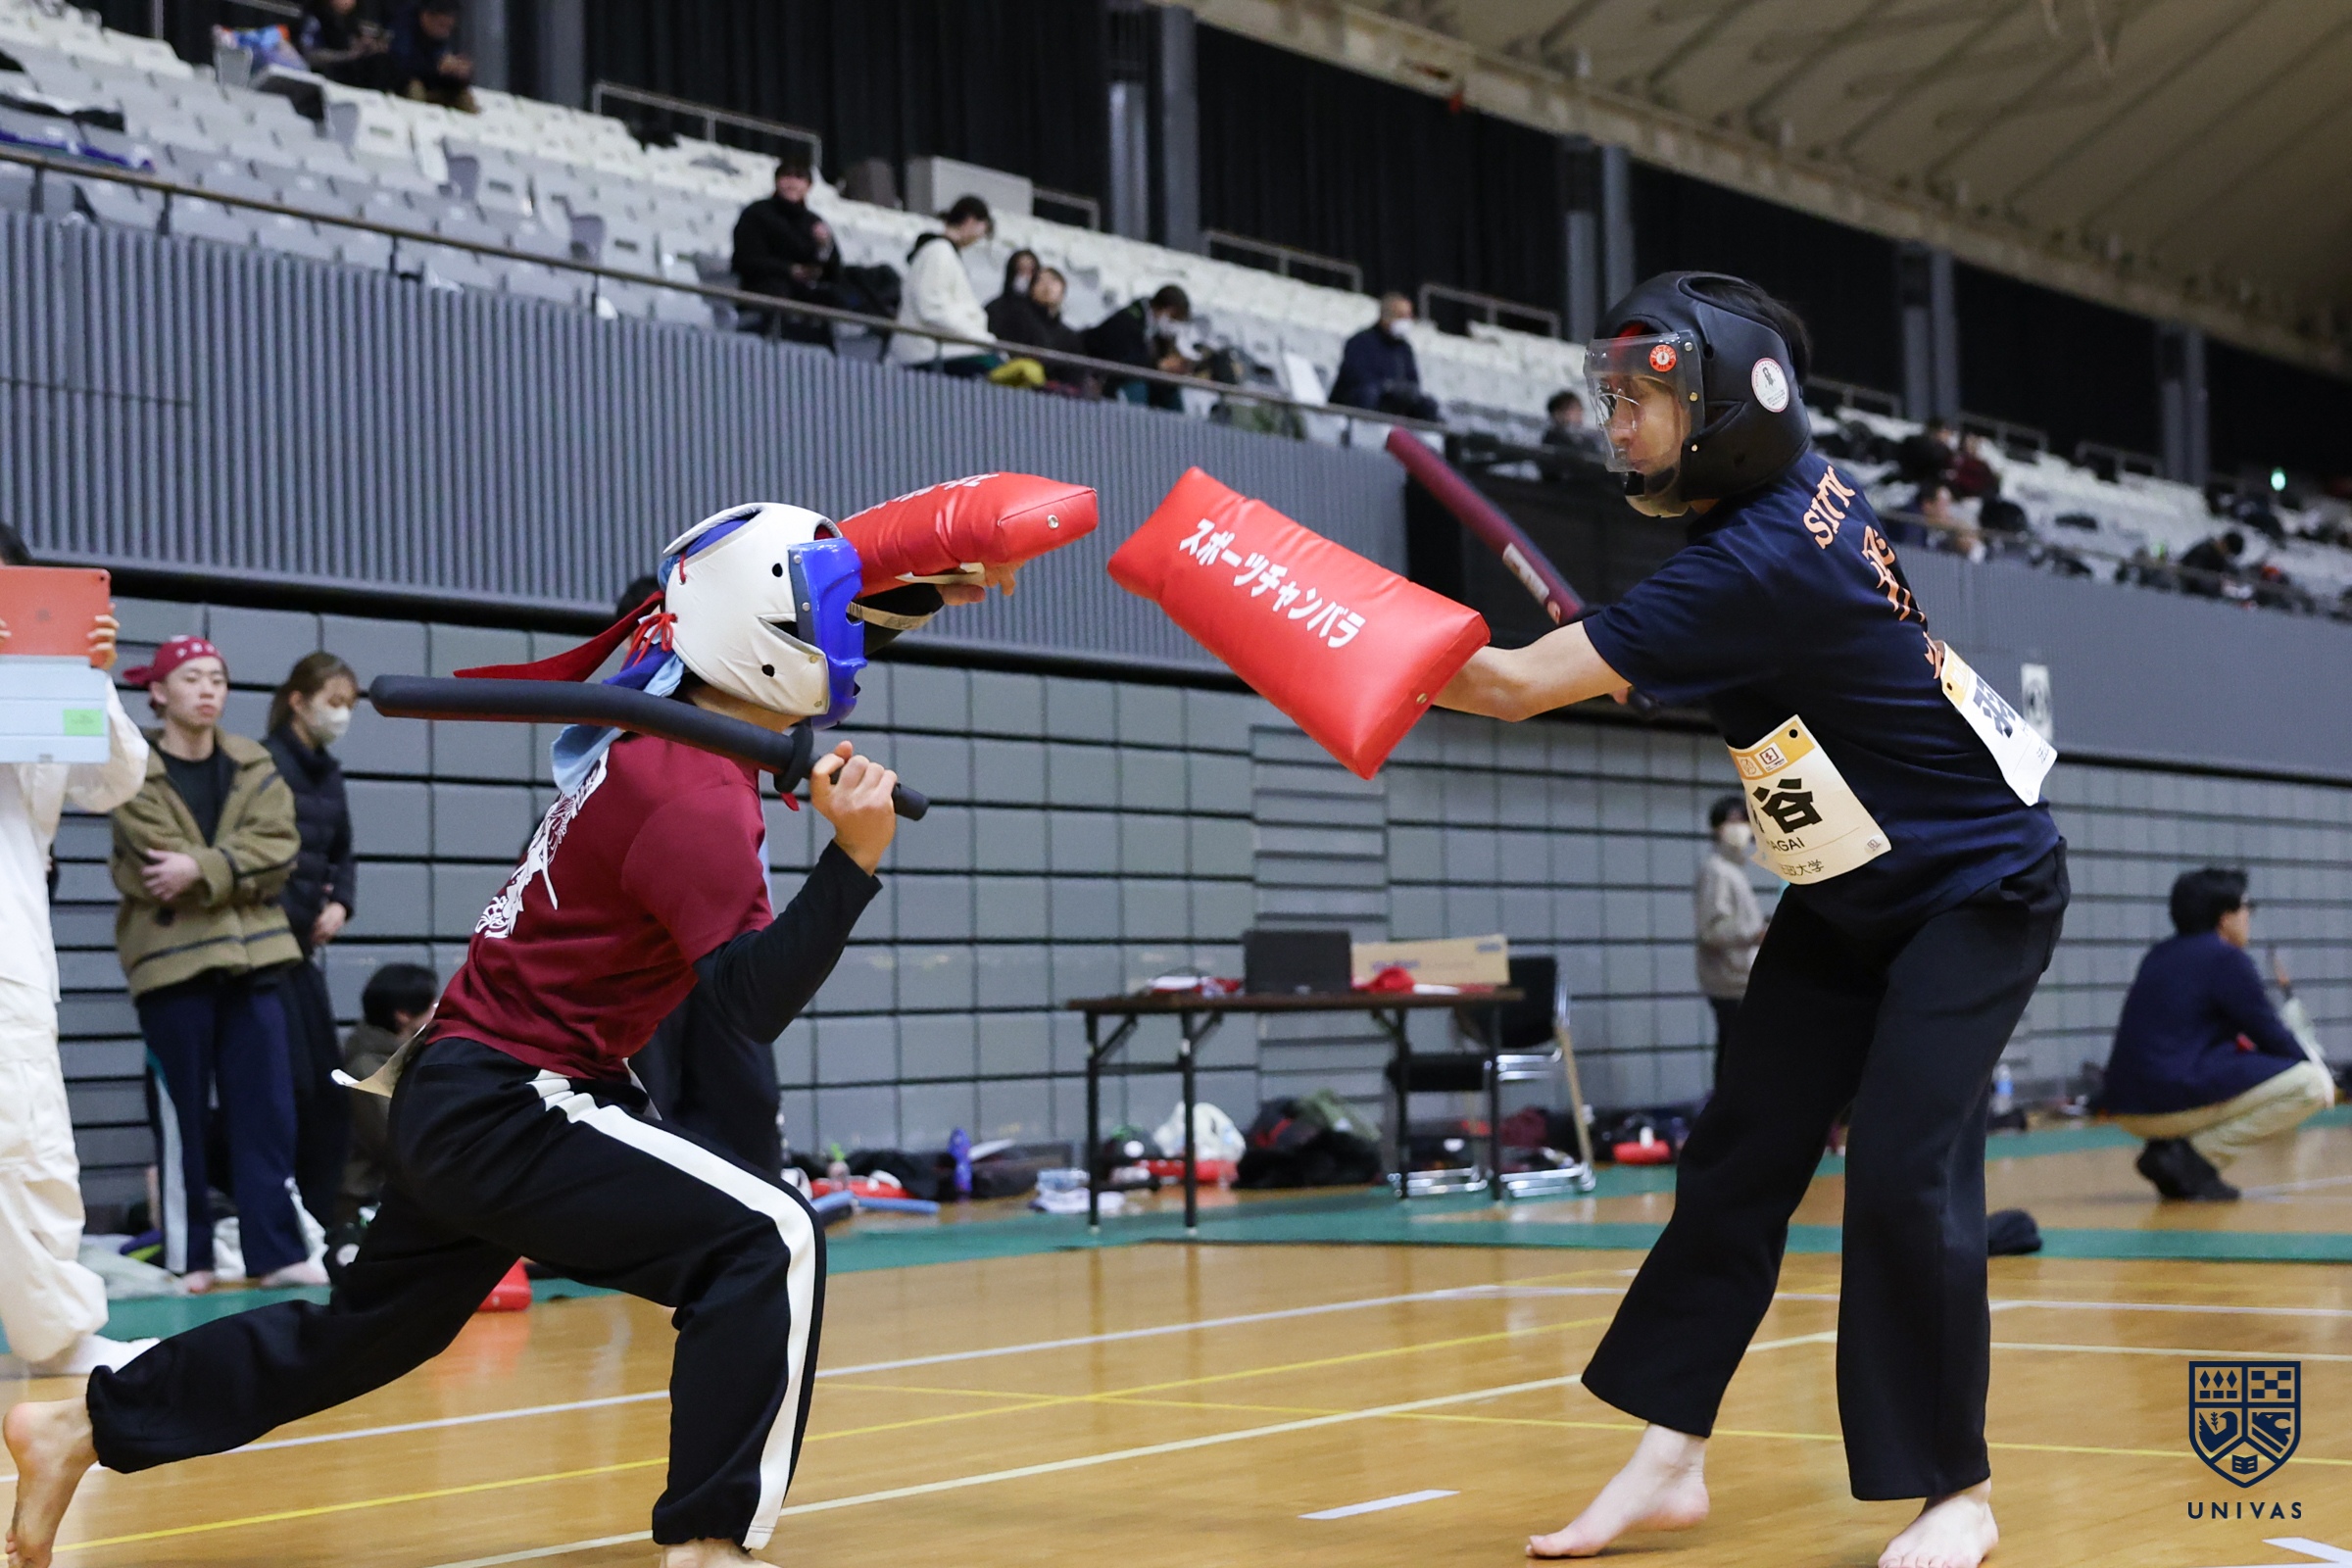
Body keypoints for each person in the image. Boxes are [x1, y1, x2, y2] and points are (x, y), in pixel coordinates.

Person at [2, 507, 1020, 1568]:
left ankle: (85, 1423)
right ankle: (709, 1541)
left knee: (362, 1333)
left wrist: (922, 588)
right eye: (829, 620)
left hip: (463, 1090)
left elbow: (766, 629)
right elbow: (744, 1007)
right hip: (515, 1099)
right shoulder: (691, 792)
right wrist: (853, 861)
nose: (843, 640)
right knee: (768, 1237)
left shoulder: (670, 724)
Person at [1436, 271, 2065, 1568]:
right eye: (1611, 398)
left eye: (1642, 401)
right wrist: (1638, 656)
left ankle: (1958, 1491)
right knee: (1738, 1156)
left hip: (1976, 888)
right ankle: (1671, 1452)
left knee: (1902, 1165)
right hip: (1849, 889)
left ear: (1731, 409)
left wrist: (1313, 627)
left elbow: (1504, 686)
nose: (1615, 426)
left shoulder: (1754, 561)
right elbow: (1732, 654)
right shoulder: (1802, 492)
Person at [109, 635, 320, 1295]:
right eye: (192, 678)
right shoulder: (132, 766)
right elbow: (153, 863)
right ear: (158, 692)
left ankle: (275, 1252)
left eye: (218, 679)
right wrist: (235, 870)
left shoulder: (253, 761)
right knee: (182, 1119)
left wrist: (202, 868)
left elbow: (279, 847)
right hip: (172, 965)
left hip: (255, 961)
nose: (208, 690)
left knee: (267, 1113)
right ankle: (189, 1255)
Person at [0, 528, 155, 1378]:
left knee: (24, 1140)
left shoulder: (41, 683)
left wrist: (86, 676)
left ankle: (58, 1341)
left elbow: (112, 782)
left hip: (10, 944)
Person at [2104, 868, 2334, 1202]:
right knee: (2310, 1085)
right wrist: (2318, 1072)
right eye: (2246, 908)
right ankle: (2193, 1160)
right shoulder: (2225, 958)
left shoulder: (2158, 954)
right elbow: (2268, 1032)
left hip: (2124, 1106)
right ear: (2225, 917)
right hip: (2167, 1102)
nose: (2248, 917)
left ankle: (2171, 1152)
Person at [264, 652, 361, 1232]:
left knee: (328, 1091)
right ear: (298, 701)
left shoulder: (331, 772)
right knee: (291, 1089)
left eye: (349, 705)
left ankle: (322, 1221)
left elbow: (343, 852)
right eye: (333, 702)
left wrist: (340, 902)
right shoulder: (264, 764)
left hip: (304, 949)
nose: (342, 715)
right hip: (265, 950)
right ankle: (286, 1220)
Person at [336, 961, 438, 1224]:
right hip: (368, 1199)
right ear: (403, 1015)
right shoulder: (367, 1068)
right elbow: (396, 1140)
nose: (436, 1014)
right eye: (430, 1007)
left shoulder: (404, 1056)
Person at [1693, 794, 1766, 1089]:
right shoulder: (1717, 871)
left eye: (1744, 821)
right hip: (1728, 980)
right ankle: (1729, 1113)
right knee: (1735, 1059)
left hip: (1738, 979)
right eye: (1733, 821)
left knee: (1738, 1055)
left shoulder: (1733, 871)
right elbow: (1711, 931)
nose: (1741, 828)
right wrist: (1754, 932)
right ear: (1717, 828)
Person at [731, 156, 839, 347]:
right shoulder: (756, 213)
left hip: (805, 293)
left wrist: (824, 247)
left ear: (808, 186)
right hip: (764, 289)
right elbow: (745, 259)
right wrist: (789, 270)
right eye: (787, 176)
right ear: (776, 181)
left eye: (799, 177)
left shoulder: (814, 222)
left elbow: (834, 269)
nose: (792, 183)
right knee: (778, 292)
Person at [887, 194, 996, 375]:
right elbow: (932, 309)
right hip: (928, 352)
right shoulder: (939, 252)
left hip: (938, 349)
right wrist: (976, 336)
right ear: (970, 221)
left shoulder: (941, 253)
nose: (979, 239)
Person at [1330, 292, 1439, 420]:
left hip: (1394, 403)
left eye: (1409, 316)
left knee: (1428, 405)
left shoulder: (1404, 349)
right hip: (1362, 402)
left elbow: (1413, 382)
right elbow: (1356, 378)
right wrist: (1386, 387)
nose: (1407, 321)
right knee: (1369, 394)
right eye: (1401, 316)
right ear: (1385, 316)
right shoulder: (1360, 341)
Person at [1084, 283, 1193, 409]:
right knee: (1137, 386)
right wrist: (1160, 365)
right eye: (1173, 318)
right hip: (1108, 378)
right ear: (1165, 310)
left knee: (1170, 389)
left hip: (1136, 377)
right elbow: (1125, 361)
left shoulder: (1156, 331)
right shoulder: (1127, 321)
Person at [384, 0, 474, 113]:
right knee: (415, 89)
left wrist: (459, 73)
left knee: (464, 98)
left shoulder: (445, 37)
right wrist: (437, 66)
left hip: (435, 87)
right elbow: (399, 64)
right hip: (405, 88)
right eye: (441, 25)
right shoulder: (403, 28)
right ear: (426, 16)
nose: (446, 32)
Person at [295, 0, 385, 87]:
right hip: (319, 78)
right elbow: (310, 56)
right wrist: (348, 55)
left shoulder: (349, 21)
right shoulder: (314, 19)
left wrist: (367, 48)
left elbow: (352, 43)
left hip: (347, 77)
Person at [983, 249, 1041, 340]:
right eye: (1020, 269)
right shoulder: (994, 308)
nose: (1024, 276)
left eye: (1029, 270)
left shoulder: (1042, 314)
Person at [2179, 528, 2246, 597]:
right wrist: (2219, 587)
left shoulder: (2220, 557)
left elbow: (2233, 571)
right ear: (2223, 545)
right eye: (2228, 554)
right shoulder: (2202, 552)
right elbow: (2194, 578)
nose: (2227, 557)